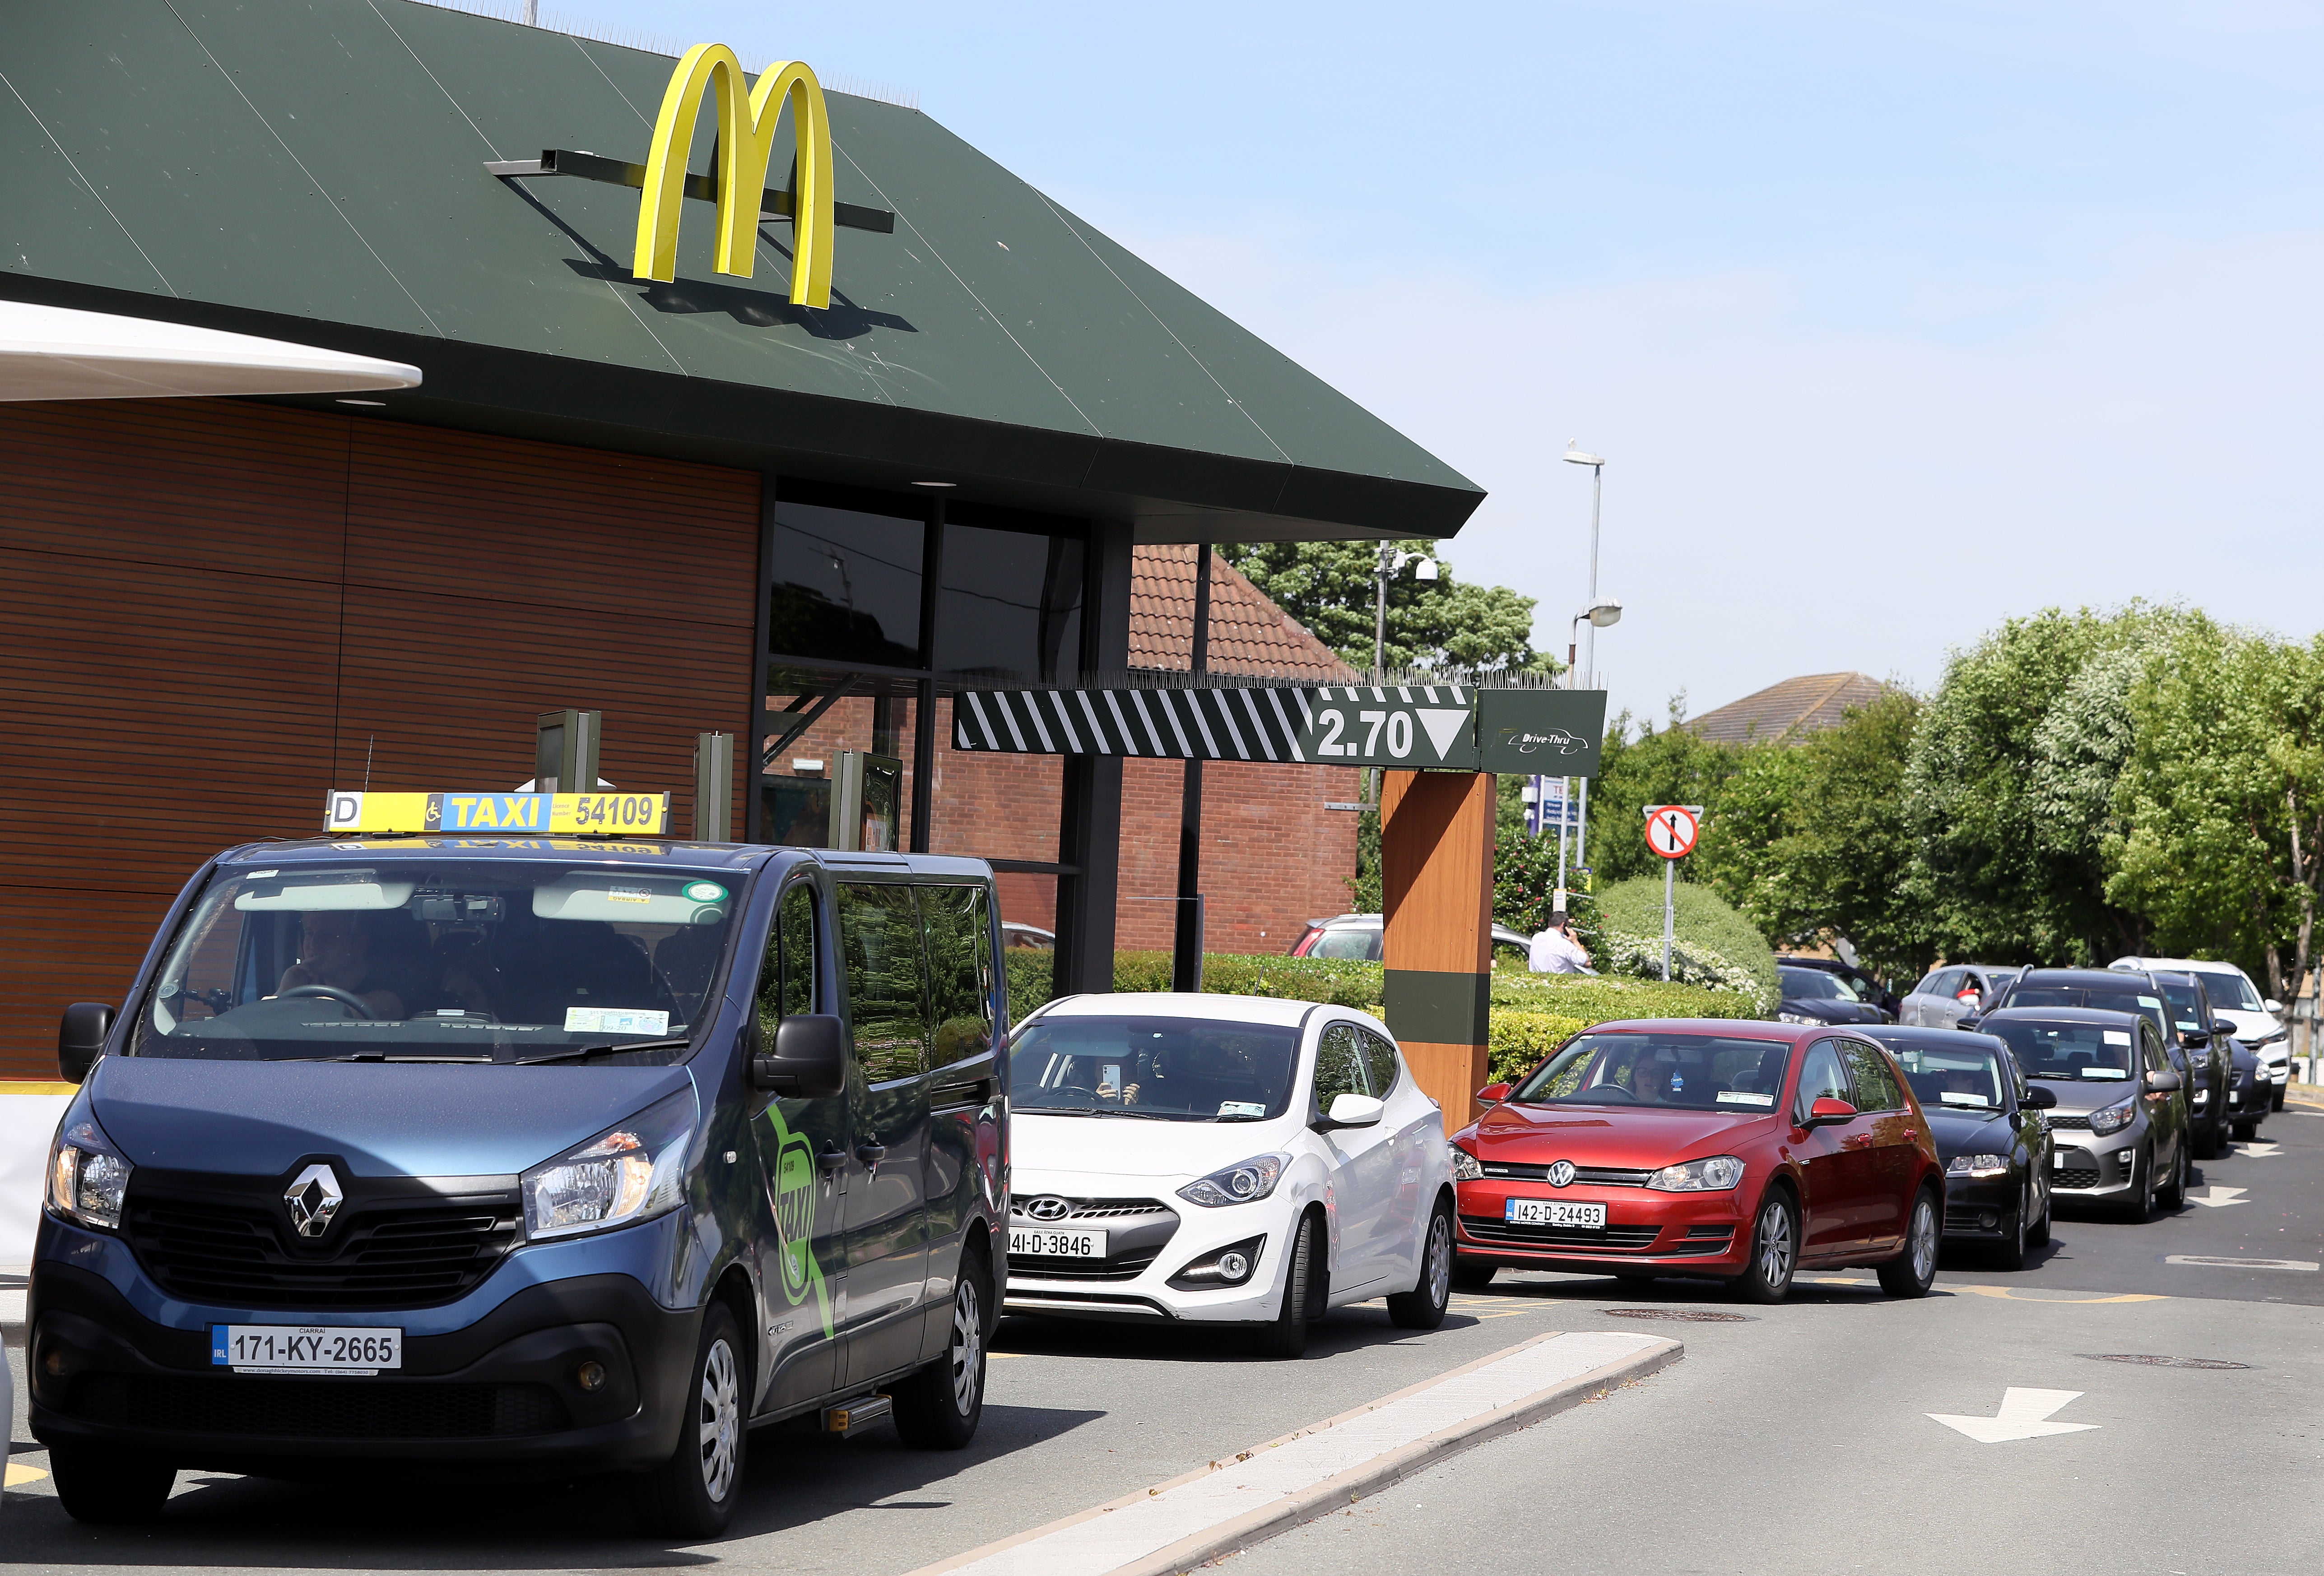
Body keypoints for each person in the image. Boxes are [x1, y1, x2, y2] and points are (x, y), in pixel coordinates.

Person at [277, 911, 409, 1020]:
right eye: (310, 933)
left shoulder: (394, 987)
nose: (313, 945)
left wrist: (292, 1006)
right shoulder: (302, 984)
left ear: (359, 943)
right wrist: (285, 991)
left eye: (327, 935)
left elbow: (370, 1008)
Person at [1529, 911, 1594, 975]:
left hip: (1537, 980)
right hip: (1558, 983)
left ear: (1549, 924)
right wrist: (1575, 941)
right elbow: (1587, 963)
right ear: (1563, 925)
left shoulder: (1537, 938)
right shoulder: (1564, 945)